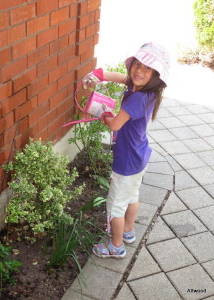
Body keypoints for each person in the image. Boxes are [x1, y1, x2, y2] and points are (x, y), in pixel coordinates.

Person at [83, 42, 170, 258]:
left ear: (156, 74)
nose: (139, 71)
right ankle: (128, 232)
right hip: (139, 157)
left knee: (115, 206)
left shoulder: (138, 98)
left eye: (147, 68)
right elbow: (118, 77)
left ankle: (116, 245)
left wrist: (103, 112)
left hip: (127, 161)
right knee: (132, 196)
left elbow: (114, 125)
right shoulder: (144, 90)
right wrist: (96, 73)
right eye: (137, 64)